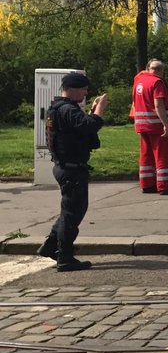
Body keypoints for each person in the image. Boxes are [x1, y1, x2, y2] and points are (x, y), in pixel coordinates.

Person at [38, 72, 105, 272]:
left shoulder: (59, 108)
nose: (85, 93)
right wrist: (99, 111)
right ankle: (65, 256)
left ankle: (51, 246)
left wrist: (91, 112)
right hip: (71, 169)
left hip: (65, 166)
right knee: (73, 214)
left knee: (70, 211)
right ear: (73, 89)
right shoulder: (67, 109)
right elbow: (88, 125)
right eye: (83, 89)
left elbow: (80, 131)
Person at [132, 59, 168, 195]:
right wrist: (165, 123)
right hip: (155, 125)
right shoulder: (157, 82)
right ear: (161, 71)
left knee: (146, 155)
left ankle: (147, 184)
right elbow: (159, 105)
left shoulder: (139, 80)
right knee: (162, 155)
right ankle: (164, 185)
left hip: (142, 124)